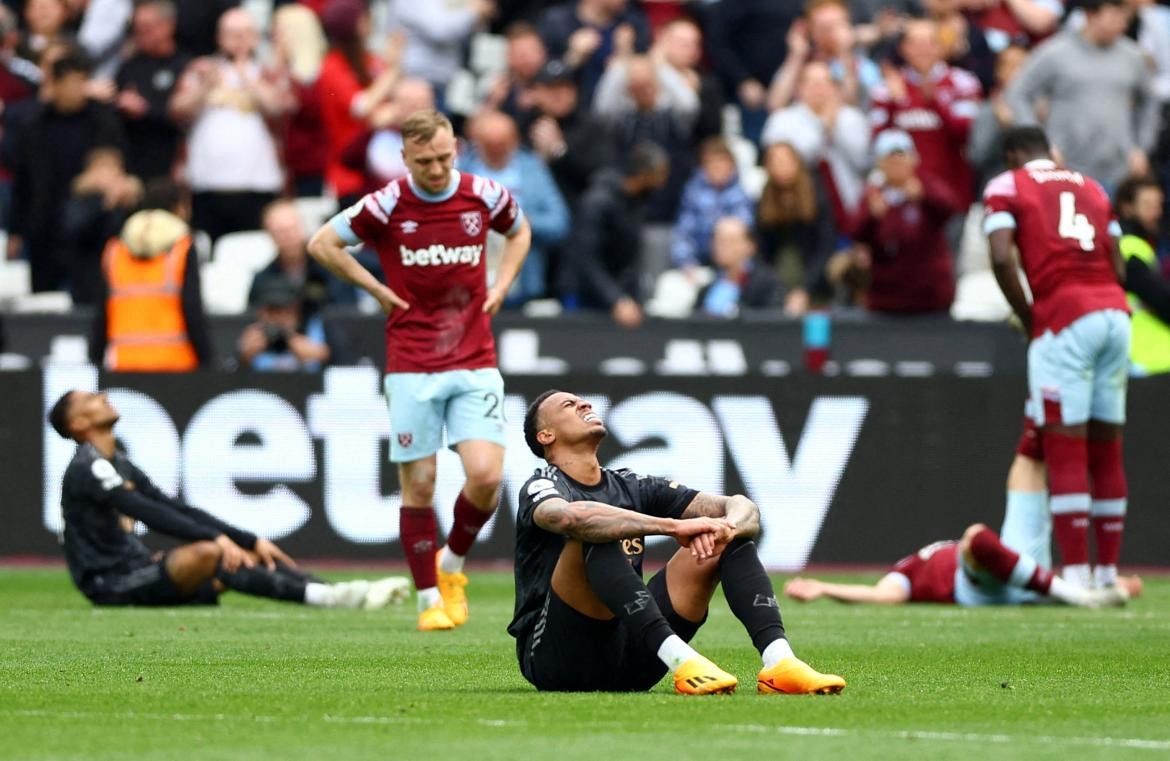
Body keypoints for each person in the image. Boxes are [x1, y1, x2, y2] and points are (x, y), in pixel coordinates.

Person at [307, 109, 532, 631]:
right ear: (405, 158)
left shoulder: (484, 194)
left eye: (444, 157)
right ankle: (429, 598)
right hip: (411, 362)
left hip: (474, 356)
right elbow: (322, 243)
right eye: (425, 160)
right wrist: (377, 290)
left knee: (486, 476)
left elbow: (520, 233)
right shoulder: (389, 202)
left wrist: (502, 283)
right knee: (422, 483)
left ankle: (451, 562)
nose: (436, 169)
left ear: (457, 148)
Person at [510, 389, 847, 694]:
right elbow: (568, 518)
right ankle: (683, 661)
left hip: (632, 659)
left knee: (722, 536)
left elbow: (744, 508)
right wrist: (671, 527)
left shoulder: (632, 484)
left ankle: (780, 663)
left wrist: (728, 526)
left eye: (583, 400)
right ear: (546, 435)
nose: (584, 403)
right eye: (569, 405)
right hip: (559, 659)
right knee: (594, 534)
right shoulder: (541, 484)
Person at [47, 389, 408, 609]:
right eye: (92, 399)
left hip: (137, 568)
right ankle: (328, 597)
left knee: (239, 556)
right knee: (211, 554)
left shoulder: (118, 463)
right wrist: (217, 540)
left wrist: (246, 538)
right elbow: (147, 512)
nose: (104, 397)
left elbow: (174, 507)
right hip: (108, 584)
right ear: (79, 424)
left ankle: (329, 592)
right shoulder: (87, 468)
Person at [984, 125, 1131, 590]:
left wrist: (1030, 318)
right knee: (1106, 446)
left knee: (1065, 445)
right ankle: (1107, 574)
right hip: (1113, 312)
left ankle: (1076, 576)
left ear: (1013, 156)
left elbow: (1001, 257)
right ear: (1050, 152)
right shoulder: (1092, 185)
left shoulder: (1008, 184)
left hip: (1064, 316)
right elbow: (1119, 260)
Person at [1005, 0, 1157, 192]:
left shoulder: (1133, 57)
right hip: (1066, 168)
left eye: (1124, 18)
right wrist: (1041, 146)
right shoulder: (1056, 52)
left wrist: (1141, 147)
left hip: (1119, 170)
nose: (1122, 24)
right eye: (1114, 16)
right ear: (1090, 15)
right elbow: (1018, 93)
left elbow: (1150, 102)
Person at [6, 45, 124, 293]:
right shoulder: (35, 125)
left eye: (83, 81)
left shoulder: (102, 122)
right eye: (71, 82)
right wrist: (16, 230)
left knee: (88, 300)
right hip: (44, 229)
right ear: (55, 84)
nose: (77, 89)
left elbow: (114, 172)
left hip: (89, 231)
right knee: (44, 301)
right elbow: (23, 182)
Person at [784, 523, 1132, 606]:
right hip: (972, 584)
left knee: (989, 547)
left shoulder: (910, 566)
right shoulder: (905, 574)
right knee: (978, 536)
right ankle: (1083, 595)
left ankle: (1103, 590)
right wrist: (825, 588)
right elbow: (879, 595)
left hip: (1000, 580)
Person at [169, 8, 293, 241]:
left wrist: (246, 75)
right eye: (232, 34)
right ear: (219, 37)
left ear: (256, 37)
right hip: (206, 186)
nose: (239, 40)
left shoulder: (268, 72)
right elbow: (177, 110)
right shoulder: (201, 70)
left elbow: (279, 107)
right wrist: (204, 88)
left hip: (259, 184)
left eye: (245, 34)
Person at [89, 178, 211, 371]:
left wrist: (94, 360)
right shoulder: (182, 246)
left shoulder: (116, 249)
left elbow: (102, 314)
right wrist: (208, 361)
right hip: (176, 364)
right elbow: (191, 307)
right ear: (179, 208)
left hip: (125, 363)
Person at [869, 17, 983, 211]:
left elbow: (967, 135)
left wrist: (936, 102)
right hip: (903, 200)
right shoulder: (886, 89)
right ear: (903, 48)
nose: (923, 50)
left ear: (940, 46)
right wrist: (895, 105)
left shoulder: (963, 83)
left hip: (953, 195)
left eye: (930, 42)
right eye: (915, 43)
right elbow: (877, 142)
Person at [458, 109, 569, 305]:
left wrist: (519, 221)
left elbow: (559, 222)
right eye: (489, 145)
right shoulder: (461, 173)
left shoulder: (532, 170)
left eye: (501, 144)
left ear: (514, 142)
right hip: (470, 283)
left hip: (524, 282)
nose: (495, 150)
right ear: (477, 144)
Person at [849, 128, 960, 314]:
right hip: (886, 299)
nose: (896, 165)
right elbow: (855, 232)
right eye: (890, 160)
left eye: (901, 158)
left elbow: (951, 208)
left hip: (929, 297)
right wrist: (872, 216)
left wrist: (925, 196)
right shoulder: (873, 194)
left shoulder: (926, 184)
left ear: (913, 159)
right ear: (879, 163)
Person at [561, 141, 669, 327]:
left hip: (616, 294)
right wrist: (616, 300)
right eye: (661, 174)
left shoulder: (638, 201)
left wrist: (632, 297)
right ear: (645, 174)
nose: (664, 182)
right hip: (584, 296)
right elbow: (586, 259)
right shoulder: (597, 202)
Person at [112, 0, 188, 183]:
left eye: (147, 27)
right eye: (136, 28)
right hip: (132, 164)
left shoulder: (185, 66)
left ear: (168, 26)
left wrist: (146, 109)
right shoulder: (128, 67)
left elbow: (183, 117)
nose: (140, 34)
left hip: (170, 163)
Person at [248, 199, 355, 322]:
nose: (288, 237)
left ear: (303, 228)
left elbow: (347, 316)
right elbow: (252, 318)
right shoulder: (263, 279)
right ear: (269, 235)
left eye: (292, 229)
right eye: (280, 232)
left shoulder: (332, 269)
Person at [670, 137, 754, 271]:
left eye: (722, 162)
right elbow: (683, 232)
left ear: (732, 165)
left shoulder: (741, 193)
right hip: (698, 263)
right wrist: (686, 263)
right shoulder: (692, 192)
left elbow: (744, 233)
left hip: (733, 265)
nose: (717, 167)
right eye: (711, 163)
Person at [1115, 173, 1170, 375]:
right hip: (1146, 358)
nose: (1156, 213)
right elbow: (1162, 299)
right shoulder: (1129, 247)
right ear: (1127, 208)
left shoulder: (1141, 245)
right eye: (1148, 205)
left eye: (1159, 205)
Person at [237, 274, 334, 373]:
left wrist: (292, 340)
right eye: (272, 310)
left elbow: (323, 357)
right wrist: (244, 358)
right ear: (261, 312)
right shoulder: (252, 333)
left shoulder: (310, 326)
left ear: (296, 311)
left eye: (285, 311)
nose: (278, 318)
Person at [695, 216, 783, 317]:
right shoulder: (707, 284)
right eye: (717, 240)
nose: (721, 246)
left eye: (730, 241)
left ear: (750, 246)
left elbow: (771, 322)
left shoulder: (766, 283)